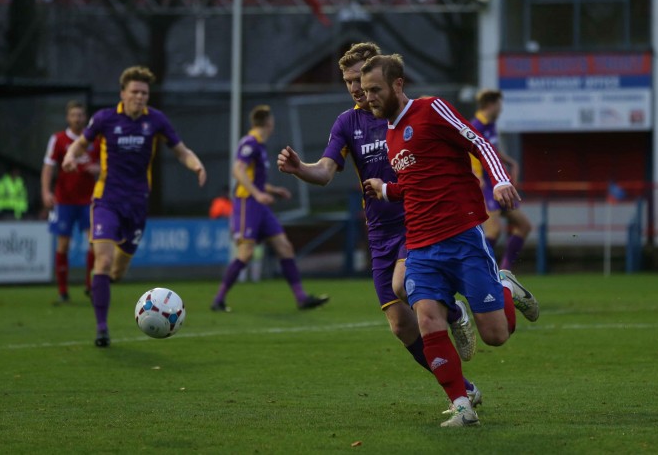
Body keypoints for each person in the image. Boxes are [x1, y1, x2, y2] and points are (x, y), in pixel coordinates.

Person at [276, 42, 480, 406]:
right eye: (348, 82)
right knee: (402, 326)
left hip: (416, 220)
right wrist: (300, 169)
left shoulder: (401, 113)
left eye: (360, 80)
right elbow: (324, 172)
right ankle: (462, 388)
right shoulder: (347, 123)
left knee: (404, 286)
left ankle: (454, 312)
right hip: (380, 232)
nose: (355, 89)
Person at [360, 54, 540, 427]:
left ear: (397, 85)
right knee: (426, 320)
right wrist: (386, 190)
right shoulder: (391, 135)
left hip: (462, 238)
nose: (368, 98)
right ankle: (461, 403)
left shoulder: (431, 109)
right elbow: (414, 186)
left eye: (374, 89)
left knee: (496, 335)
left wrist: (501, 179)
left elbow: (479, 143)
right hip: (422, 246)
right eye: (363, 92)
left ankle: (505, 285)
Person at [62, 65, 207, 347]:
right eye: (135, 92)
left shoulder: (155, 120)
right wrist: (70, 156)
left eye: (144, 93)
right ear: (123, 93)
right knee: (102, 261)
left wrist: (197, 165)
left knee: (116, 271)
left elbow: (181, 150)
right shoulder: (105, 118)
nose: (140, 97)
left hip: (138, 205)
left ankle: (104, 284)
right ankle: (102, 329)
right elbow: (80, 144)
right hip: (106, 200)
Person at [211, 105, 329, 312]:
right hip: (248, 203)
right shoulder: (250, 143)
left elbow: (253, 179)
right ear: (268, 122)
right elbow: (237, 170)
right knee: (246, 253)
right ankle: (218, 299)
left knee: (284, 246)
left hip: (260, 205)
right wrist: (257, 195)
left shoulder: (260, 146)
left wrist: (273, 190)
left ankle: (301, 298)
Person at [42, 100, 100, 303]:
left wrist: (99, 169)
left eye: (80, 115)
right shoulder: (58, 139)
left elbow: (107, 164)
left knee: (94, 243)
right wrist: (45, 191)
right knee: (63, 244)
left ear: (85, 117)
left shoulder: (95, 140)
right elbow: (48, 167)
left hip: (89, 200)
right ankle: (63, 291)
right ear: (68, 118)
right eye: (74, 115)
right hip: (64, 200)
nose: (77, 118)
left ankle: (91, 287)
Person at [470, 89, 532, 270]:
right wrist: (476, 177)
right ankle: (480, 271)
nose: (501, 109)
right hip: (486, 187)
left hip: (499, 185)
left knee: (524, 226)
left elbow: (491, 150)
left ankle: (505, 270)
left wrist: (508, 161)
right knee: (493, 231)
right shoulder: (475, 126)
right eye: (499, 105)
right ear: (491, 105)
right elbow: (468, 152)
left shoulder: (490, 125)